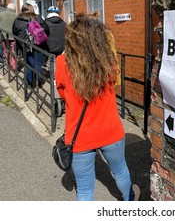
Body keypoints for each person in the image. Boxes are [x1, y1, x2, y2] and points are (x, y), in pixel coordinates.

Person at [55, 13, 140, 201]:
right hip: (111, 131)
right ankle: (130, 200)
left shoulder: (62, 63)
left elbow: (62, 93)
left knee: (85, 190)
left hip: (79, 136)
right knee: (120, 171)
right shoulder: (108, 61)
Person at [12, 3, 49, 88]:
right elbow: (46, 29)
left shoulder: (17, 20)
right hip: (38, 45)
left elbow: (14, 32)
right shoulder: (38, 18)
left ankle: (30, 82)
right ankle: (39, 82)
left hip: (25, 46)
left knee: (28, 64)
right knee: (38, 63)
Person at [0, 3, 18, 69]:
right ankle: (13, 65)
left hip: (3, 35)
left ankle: (8, 64)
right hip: (13, 36)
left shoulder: (1, 14)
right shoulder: (16, 15)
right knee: (13, 50)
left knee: (5, 50)